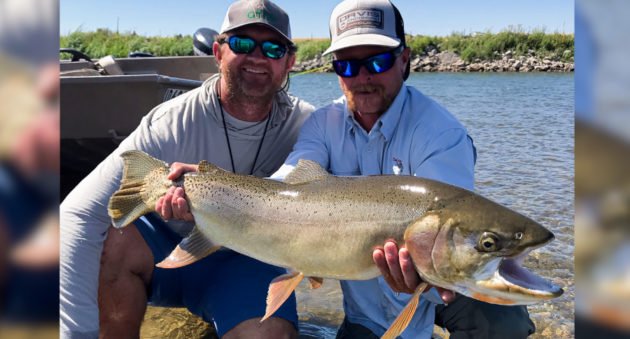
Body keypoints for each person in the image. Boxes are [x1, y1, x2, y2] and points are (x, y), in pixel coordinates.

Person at [270, 0, 535, 337]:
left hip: (442, 288)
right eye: (347, 66)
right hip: (367, 314)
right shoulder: (323, 125)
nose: (363, 77)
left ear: (405, 59)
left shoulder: (440, 133)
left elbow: (453, 232)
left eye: (377, 62)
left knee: (504, 319)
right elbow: (289, 181)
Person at [59, 0, 314, 338]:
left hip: (246, 261)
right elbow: (77, 213)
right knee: (111, 233)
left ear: (290, 62)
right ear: (218, 52)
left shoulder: (307, 125)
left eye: (272, 48)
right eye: (241, 44)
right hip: (165, 249)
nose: (256, 57)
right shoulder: (169, 122)